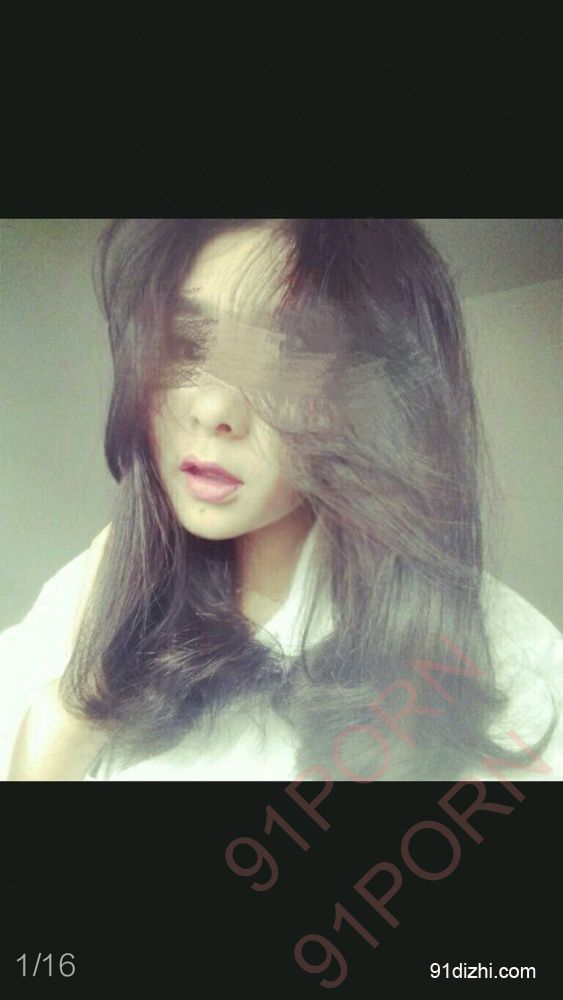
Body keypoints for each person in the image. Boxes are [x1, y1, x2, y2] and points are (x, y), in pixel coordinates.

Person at [2, 219, 562, 781]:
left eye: (284, 358)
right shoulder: (81, 601)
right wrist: (68, 718)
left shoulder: (509, 659)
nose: (212, 410)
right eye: (185, 344)